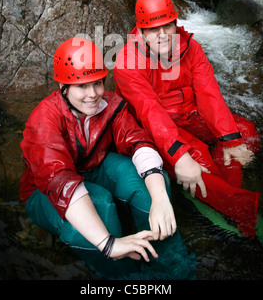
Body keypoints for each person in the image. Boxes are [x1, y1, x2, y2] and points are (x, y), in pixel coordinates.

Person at [19, 37, 195, 280]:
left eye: (98, 83)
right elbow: (58, 181)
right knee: (100, 203)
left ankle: (175, 266)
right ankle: (123, 276)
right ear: (63, 86)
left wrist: (161, 198)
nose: (93, 94)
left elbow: (138, 142)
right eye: (82, 86)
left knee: (153, 182)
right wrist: (110, 245)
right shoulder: (44, 119)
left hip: (92, 168)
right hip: (43, 192)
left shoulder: (111, 104)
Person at [113, 0, 261, 238]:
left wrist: (230, 141)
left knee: (246, 133)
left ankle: (227, 188)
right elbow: (150, 114)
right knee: (199, 160)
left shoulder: (191, 47)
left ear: (175, 23)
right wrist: (179, 156)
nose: (162, 36)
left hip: (189, 115)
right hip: (157, 129)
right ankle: (242, 210)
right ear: (140, 30)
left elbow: (208, 93)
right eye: (152, 29)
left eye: (167, 26)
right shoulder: (127, 62)